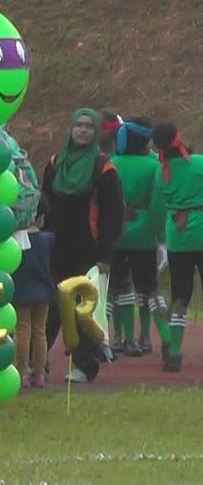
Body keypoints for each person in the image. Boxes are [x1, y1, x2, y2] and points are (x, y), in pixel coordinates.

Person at [41, 109, 123, 383]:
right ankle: (37, 363)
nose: (83, 131)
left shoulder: (104, 168)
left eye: (89, 126)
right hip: (55, 247)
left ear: (96, 132)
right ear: (71, 129)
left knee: (81, 310)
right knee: (48, 305)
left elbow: (113, 215)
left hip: (89, 249)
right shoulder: (54, 164)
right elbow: (46, 206)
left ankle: (84, 366)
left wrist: (105, 255)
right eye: (79, 125)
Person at [109, 118, 169, 357]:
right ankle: (163, 338)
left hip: (117, 234)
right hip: (144, 236)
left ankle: (108, 338)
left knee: (114, 288)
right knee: (150, 289)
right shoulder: (153, 166)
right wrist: (159, 233)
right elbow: (158, 206)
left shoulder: (112, 163)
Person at [151, 123, 203, 373]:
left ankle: (173, 354)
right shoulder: (198, 164)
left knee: (180, 296)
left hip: (177, 237)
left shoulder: (162, 172)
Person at [13, 229, 54, 388]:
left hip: (22, 289)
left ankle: (21, 372)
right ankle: (39, 374)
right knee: (40, 331)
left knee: (22, 330)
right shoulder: (48, 238)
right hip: (42, 289)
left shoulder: (16, 240)